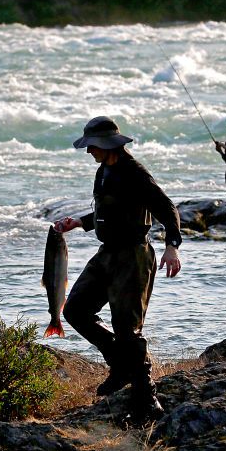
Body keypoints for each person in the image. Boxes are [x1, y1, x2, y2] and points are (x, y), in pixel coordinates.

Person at [54, 116, 182, 424]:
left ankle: (146, 397)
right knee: (74, 310)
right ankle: (120, 365)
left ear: (107, 144)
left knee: (127, 328)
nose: (88, 152)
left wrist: (172, 245)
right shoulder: (103, 171)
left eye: (92, 146)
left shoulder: (135, 174)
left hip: (133, 255)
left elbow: (167, 208)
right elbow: (105, 210)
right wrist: (80, 223)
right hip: (107, 253)